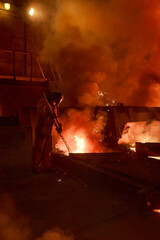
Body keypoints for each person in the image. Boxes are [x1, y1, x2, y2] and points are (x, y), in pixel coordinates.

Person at [32, 91, 63, 174]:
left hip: (49, 131)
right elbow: (41, 112)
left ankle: (47, 166)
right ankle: (35, 167)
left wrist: (58, 125)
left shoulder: (54, 106)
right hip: (41, 129)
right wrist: (48, 115)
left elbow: (55, 118)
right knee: (39, 150)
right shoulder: (44, 102)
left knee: (48, 150)